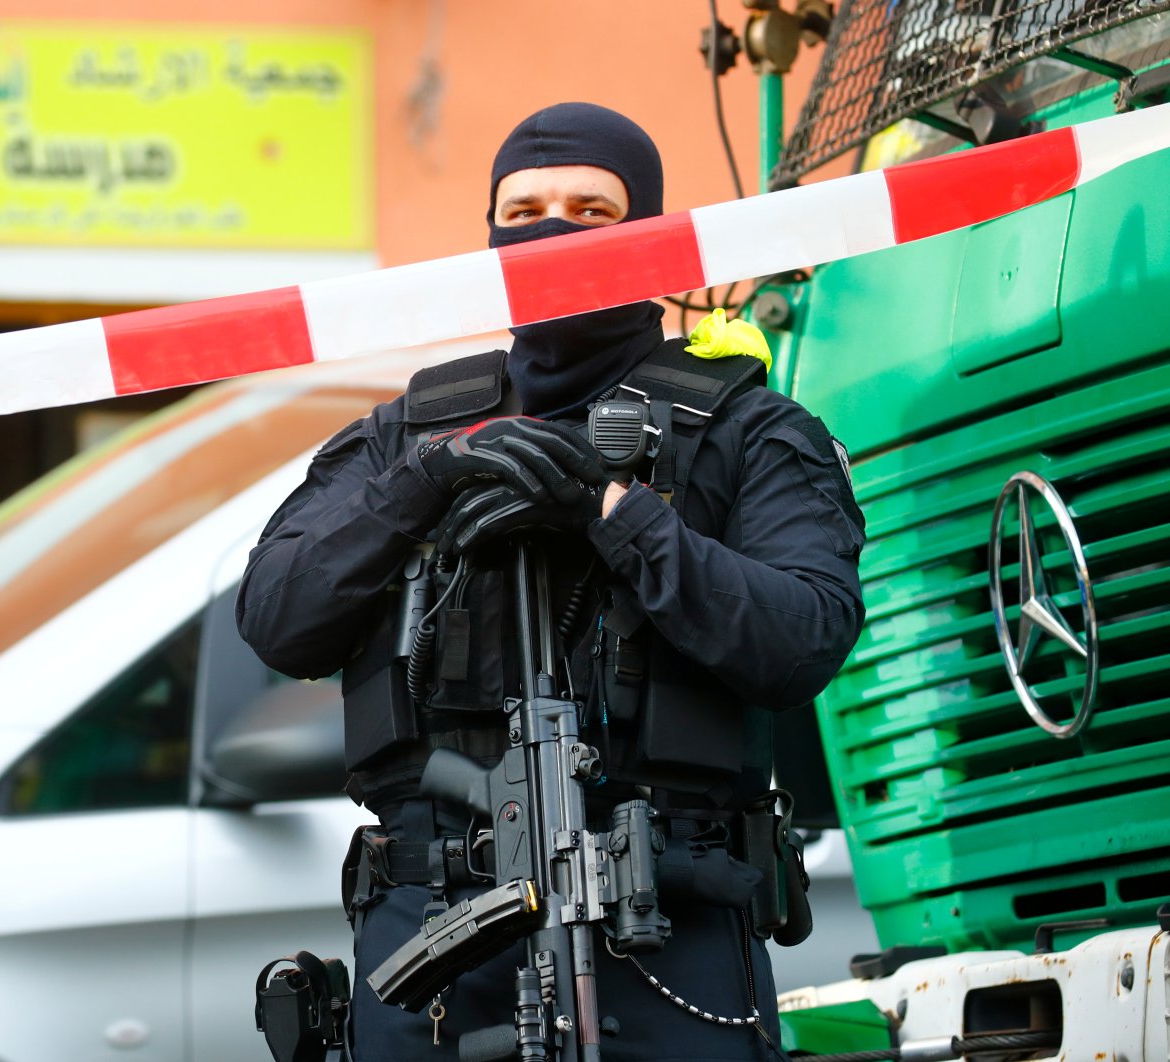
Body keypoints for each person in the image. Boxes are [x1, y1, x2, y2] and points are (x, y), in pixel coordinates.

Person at [237, 102, 865, 1060]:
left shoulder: (748, 430)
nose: (552, 236)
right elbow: (280, 620)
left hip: (670, 930)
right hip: (432, 934)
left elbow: (803, 636)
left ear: (648, 234)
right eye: (521, 214)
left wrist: (615, 515)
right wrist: (424, 484)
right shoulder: (407, 434)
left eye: (590, 212)